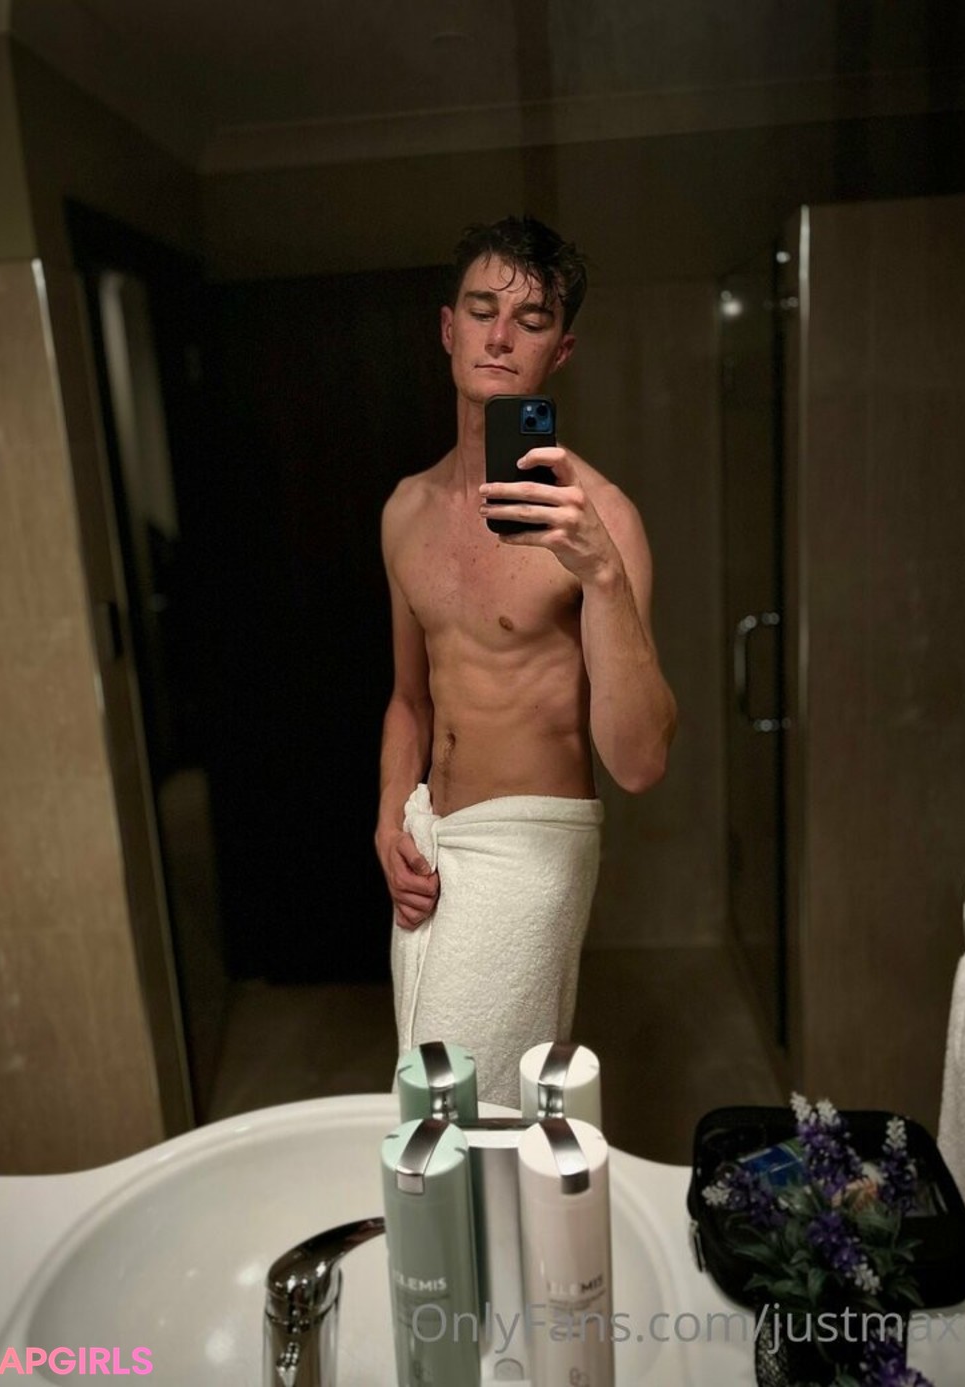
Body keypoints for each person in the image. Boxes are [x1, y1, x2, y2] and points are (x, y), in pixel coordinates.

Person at [376, 215, 677, 1105]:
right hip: (432, 839)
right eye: (481, 310)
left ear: (561, 350)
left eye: (532, 319)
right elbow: (408, 700)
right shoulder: (405, 510)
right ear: (448, 328)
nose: (501, 336)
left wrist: (602, 575)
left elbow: (640, 761)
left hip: (531, 847)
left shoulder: (603, 521)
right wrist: (389, 816)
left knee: (465, 1109)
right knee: (436, 1094)